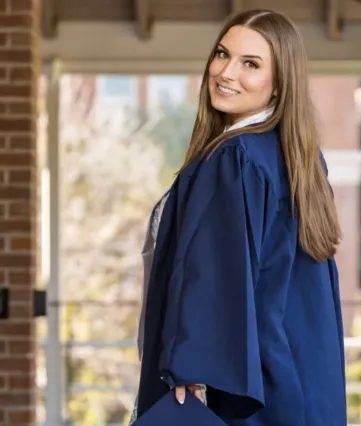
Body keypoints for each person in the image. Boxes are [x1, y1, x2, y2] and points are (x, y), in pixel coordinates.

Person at [133, 8, 347, 426]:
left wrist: (189, 366)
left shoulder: (234, 158)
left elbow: (212, 270)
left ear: (279, 84)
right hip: (301, 382)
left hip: (241, 395)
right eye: (222, 54)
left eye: (250, 64)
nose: (226, 72)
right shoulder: (297, 158)